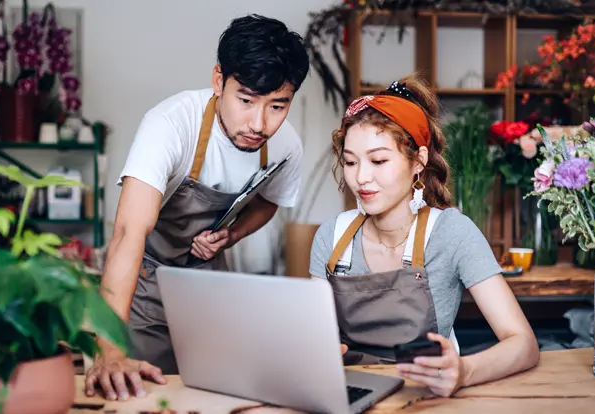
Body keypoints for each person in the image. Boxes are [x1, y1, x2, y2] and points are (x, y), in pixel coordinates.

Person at [84, 14, 310, 401]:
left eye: (278, 105)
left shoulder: (285, 146)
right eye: (246, 100)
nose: (260, 123)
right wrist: (109, 352)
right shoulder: (169, 126)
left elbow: (271, 202)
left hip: (209, 286)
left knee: (217, 395)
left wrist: (231, 235)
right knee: (141, 395)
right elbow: (127, 233)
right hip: (144, 281)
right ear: (219, 80)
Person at [309, 73, 540, 397]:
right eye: (350, 161)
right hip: (350, 396)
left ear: (418, 160)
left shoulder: (452, 233)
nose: (361, 177)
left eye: (378, 160)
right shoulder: (331, 238)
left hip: (429, 399)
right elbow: (314, 339)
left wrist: (464, 371)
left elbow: (524, 344)